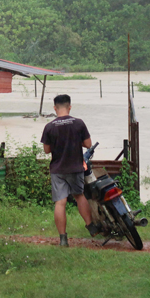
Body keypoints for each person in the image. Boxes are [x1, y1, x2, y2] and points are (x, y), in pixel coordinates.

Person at [41, 94, 100, 247]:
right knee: (80, 196)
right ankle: (90, 225)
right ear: (70, 107)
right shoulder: (78, 123)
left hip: (58, 169)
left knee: (60, 203)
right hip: (75, 167)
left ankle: (63, 239)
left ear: (55, 108)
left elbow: (47, 150)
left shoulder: (49, 127)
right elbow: (88, 144)